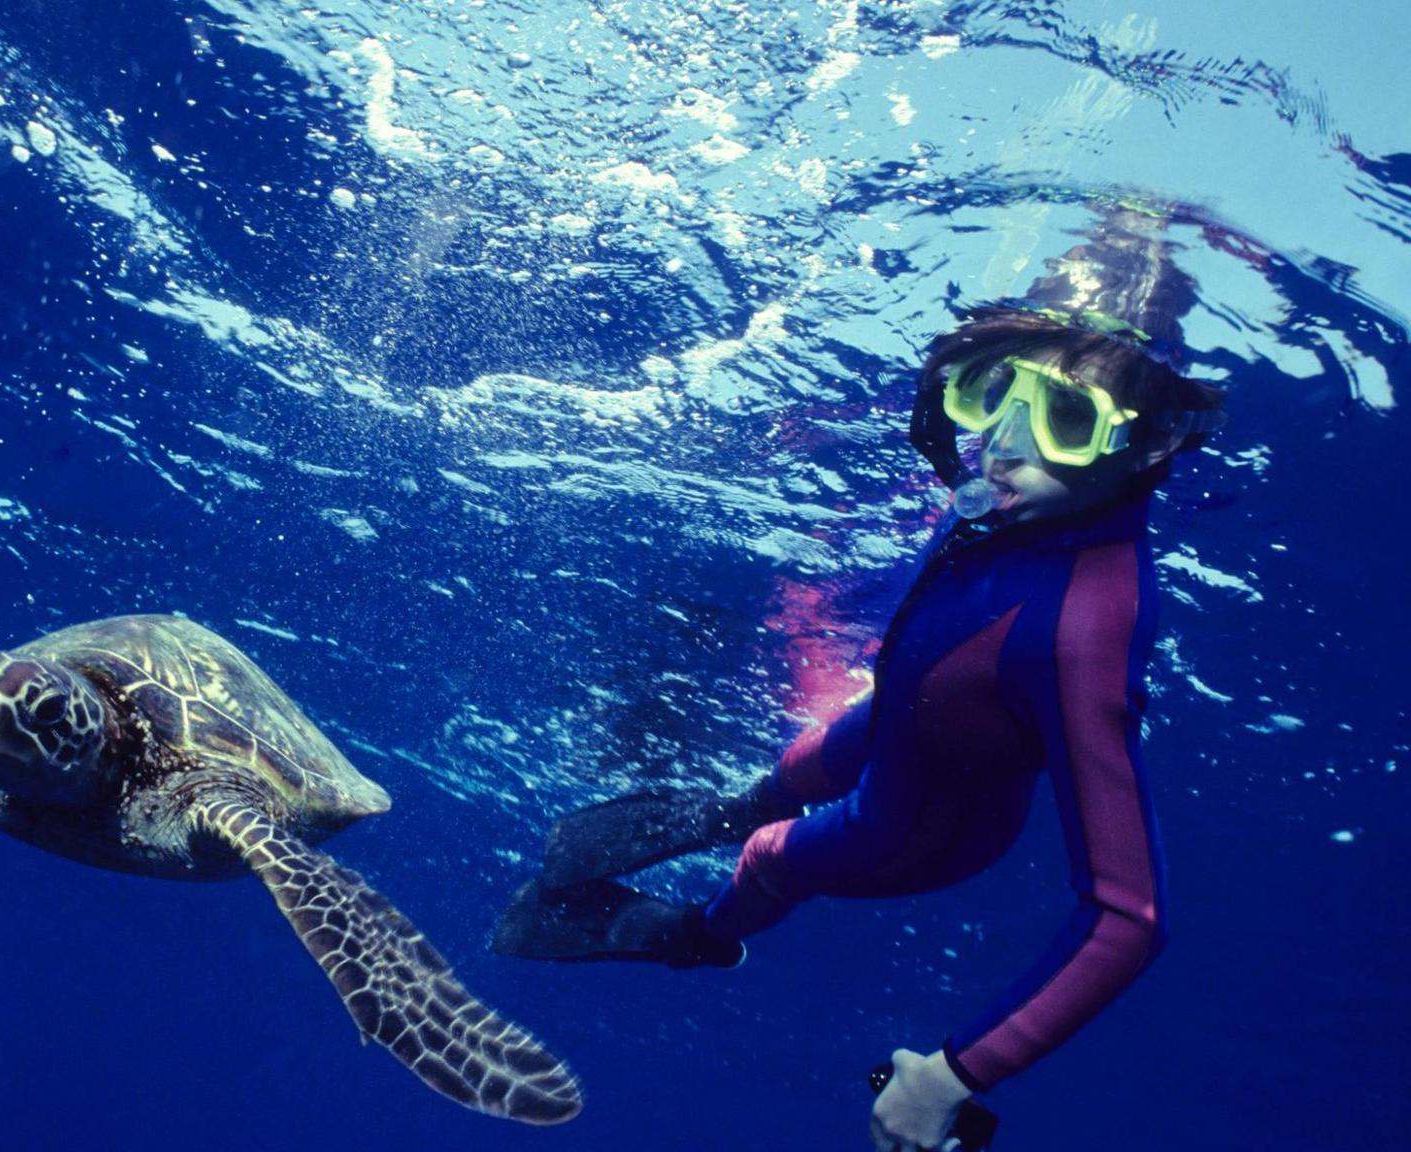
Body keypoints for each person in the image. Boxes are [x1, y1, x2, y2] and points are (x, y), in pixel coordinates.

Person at [493, 217, 1227, 1150]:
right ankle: (732, 810)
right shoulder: (1005, 519)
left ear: (1147, 448)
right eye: (992, 395)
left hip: (914, 838)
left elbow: (1130, 916)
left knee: (769, 858)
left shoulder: (1085, 628)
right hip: (889, 746)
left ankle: (698, 938)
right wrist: (772, 786)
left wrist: (951, 1077)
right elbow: (914, 687)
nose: (1001, 445)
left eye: (1067, 420)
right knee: (763, 807)